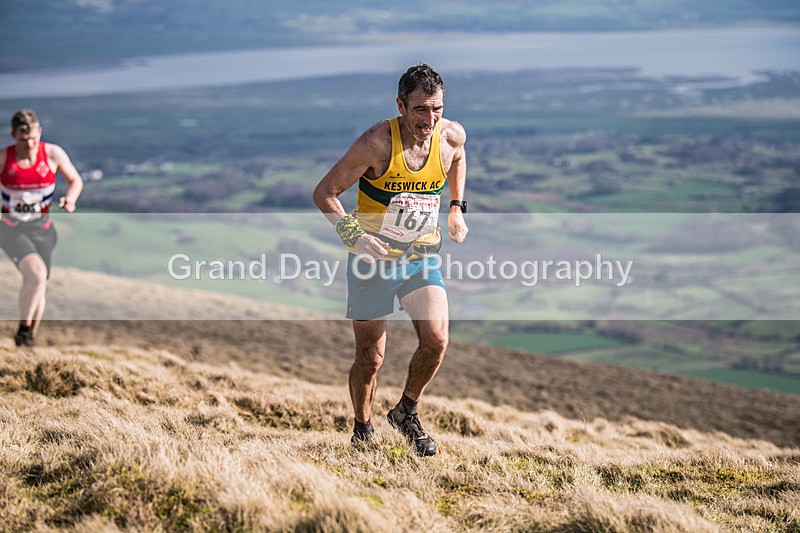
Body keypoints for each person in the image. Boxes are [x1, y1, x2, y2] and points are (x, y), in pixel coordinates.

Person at [313, 64, 468, 456]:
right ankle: (362, 429)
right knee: (371, 357)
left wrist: (456, 208)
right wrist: (355, 235)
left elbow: (459, 158)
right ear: (400, 105)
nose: (429, 120)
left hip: (421, 255)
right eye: (419, 110)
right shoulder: (376, 143)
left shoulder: (451, 135)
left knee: (436, 339)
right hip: (372, 262)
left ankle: (406, 411)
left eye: (436, 109)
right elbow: (325, 193)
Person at [0, 109, 83, 347]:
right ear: (14, 136)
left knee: (40, 286)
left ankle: (28, 341)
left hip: (43, 228)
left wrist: (71, 199)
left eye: (33, 139)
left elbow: (75, 180)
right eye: (23, 140)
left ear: (40, 133)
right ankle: (23, 332)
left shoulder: (53, 154)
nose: (29, 145)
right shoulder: (5, 158)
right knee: (36, 275)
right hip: (11, 228)